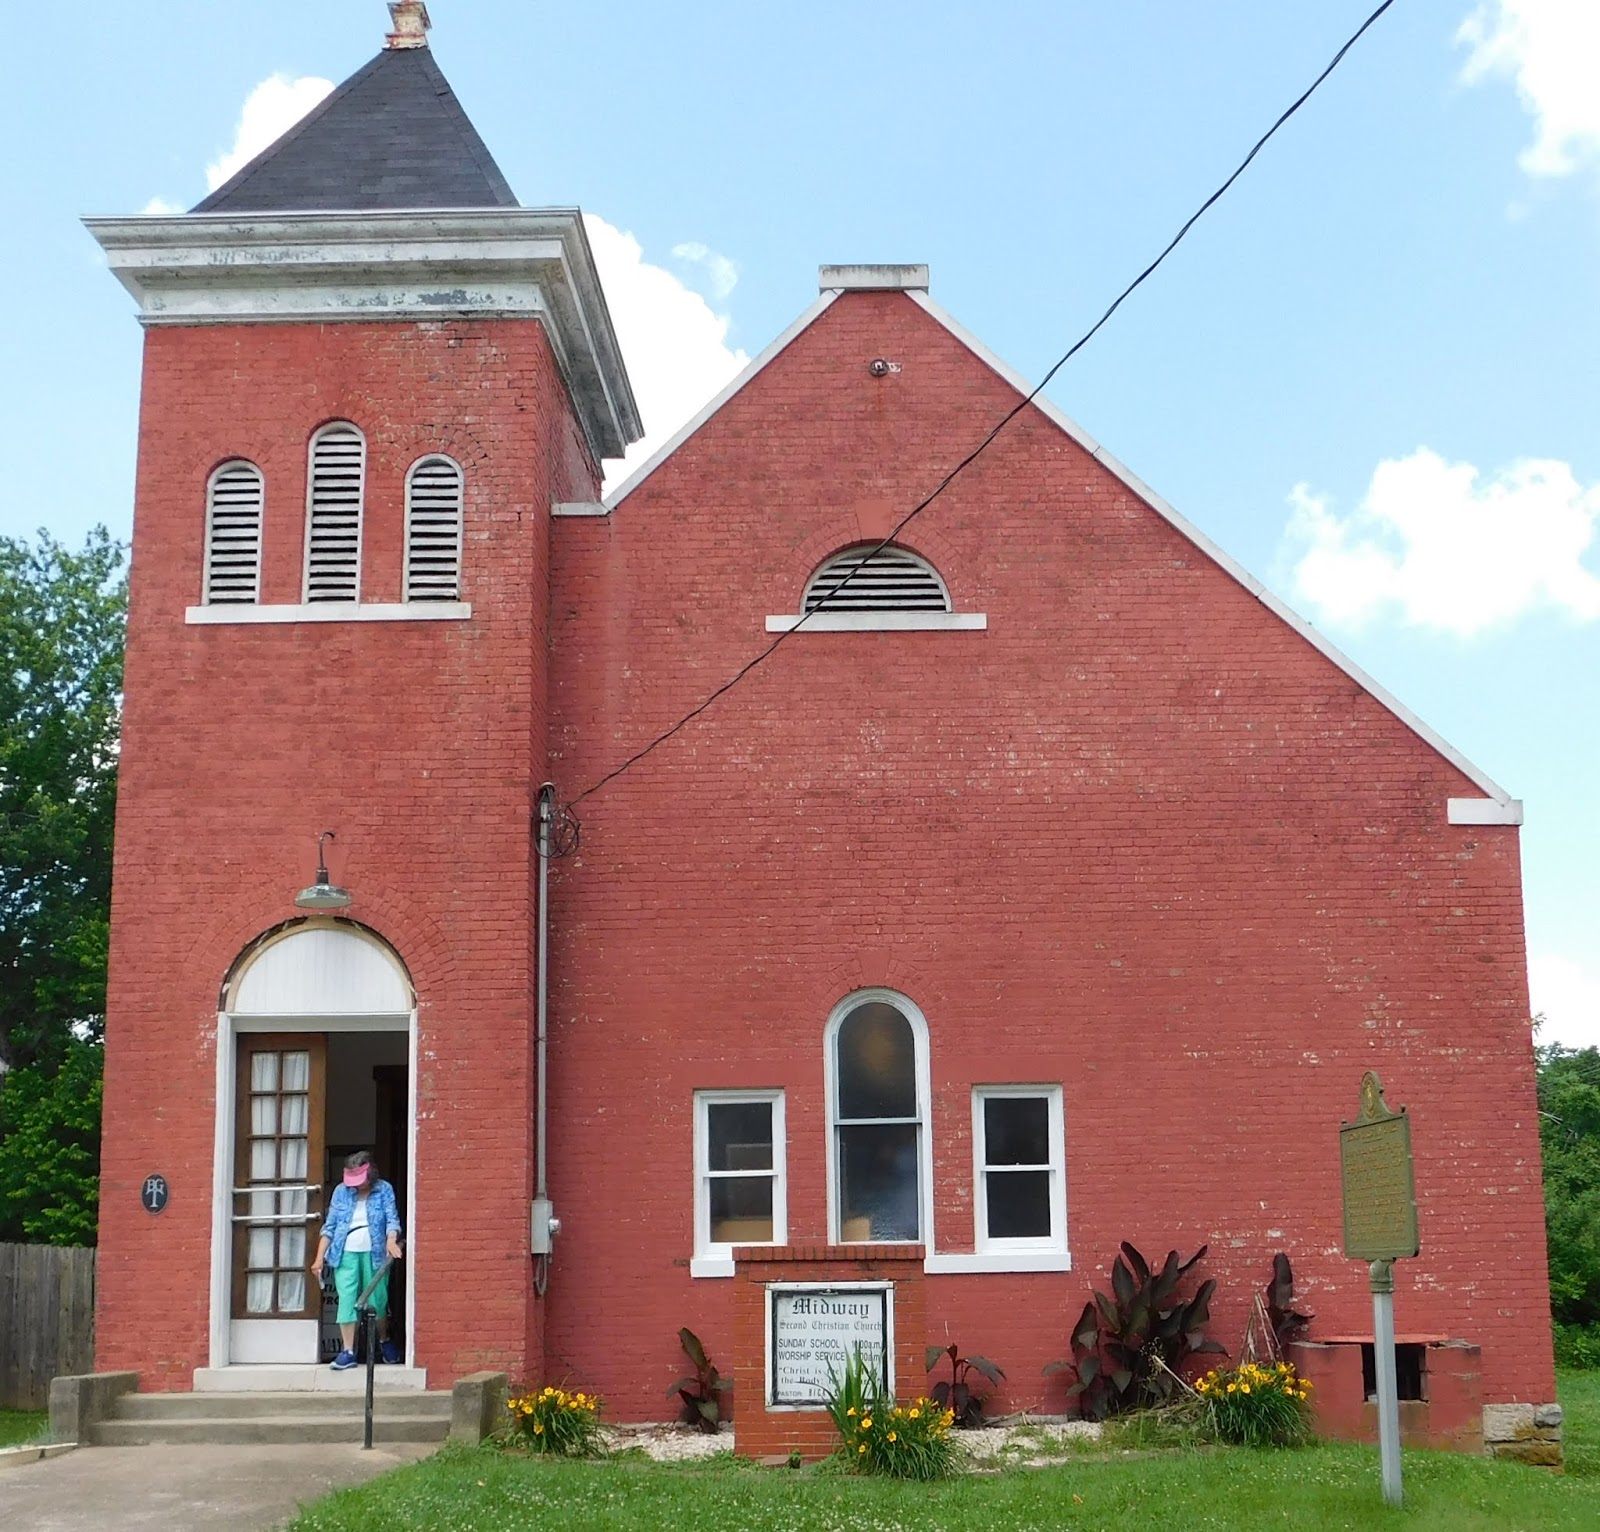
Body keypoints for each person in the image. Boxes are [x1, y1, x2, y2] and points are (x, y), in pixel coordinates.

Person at [311, 1150, 404, 1369]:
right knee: (347, 1300)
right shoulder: (341, 1192)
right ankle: (348, 1350)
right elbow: (330, 1226)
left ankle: (383, 1339)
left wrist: (391, 1241)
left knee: (377, 1301)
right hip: (345, 1253)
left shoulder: (384, 1189)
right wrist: (319, 1258)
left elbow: (392, 1220)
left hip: (376, 1253)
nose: (356, 1185)